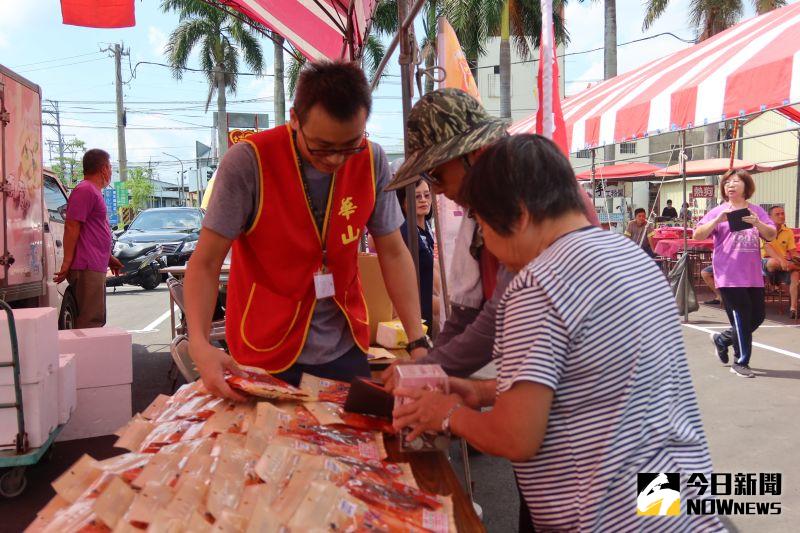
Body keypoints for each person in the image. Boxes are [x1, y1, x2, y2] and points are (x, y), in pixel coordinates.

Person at [393, 135, 721, 532]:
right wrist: (479, 392)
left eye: (481, 223)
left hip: (604, 517)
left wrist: (446, 413)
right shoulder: (633, 258)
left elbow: (515, 437)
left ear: (520, 213)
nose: (487, 245)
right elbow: (593, 382)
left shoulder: (536, 285)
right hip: (670, 500)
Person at [184, 61, 427, 398]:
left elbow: (393, 250)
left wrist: (417, 342)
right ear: (294, 119)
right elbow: (206, 262)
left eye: (349, 145)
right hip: (263, 350)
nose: (336, 160)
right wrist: (199, 342)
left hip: (345, 346)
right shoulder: (249, 162)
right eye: (322, 147)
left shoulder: (372, 160)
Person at [383, 88, 599, 382]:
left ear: (473, 154)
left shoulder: (524, 197)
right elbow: (468, 314)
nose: (435, 190)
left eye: (437, 176)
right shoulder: (492, 198)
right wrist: (430, 370)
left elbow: (498, 316)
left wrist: (430, 373)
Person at [694, 169, 776, 378]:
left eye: (736, 181)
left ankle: (722, 339)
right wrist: (717, 220)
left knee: (757, 316)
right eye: (727, 182)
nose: (730, 185)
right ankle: (741, 362)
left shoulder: (756, 211)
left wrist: (757, 222)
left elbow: (771, 235)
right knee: (741, 315)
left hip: (752, 275)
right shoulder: (718, 211)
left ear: (746, 186)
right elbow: (697, 234)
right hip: (728, 274)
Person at [54, 149, 122, 328]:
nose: (110, 171)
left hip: (94, 264)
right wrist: (67, 262)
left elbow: (91, 232)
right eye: (110, 167)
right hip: (86, 266)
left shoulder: (93, 191)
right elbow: (72, 225)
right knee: (89, 320)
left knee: (95, 318)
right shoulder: (85, 190)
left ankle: (91, 355)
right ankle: (87, 356)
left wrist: (108, 258)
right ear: (104, 169)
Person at [396, 178, 438, 329]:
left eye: (427, 195)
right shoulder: (405, 231)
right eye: (417, 197)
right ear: (403, 203)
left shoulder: (427, 228)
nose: (423, 201)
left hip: (428, 306)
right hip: (416, 308)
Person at [761, 205, 799, 318]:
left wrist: (796, 259)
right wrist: (782, 261)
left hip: (785, 264)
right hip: (765, 261)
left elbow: (793, 252)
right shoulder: (764, 229)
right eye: (777, 214)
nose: (781, 216)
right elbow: (767, 247)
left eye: (783, 213)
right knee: (773, 263)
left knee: (796, 274)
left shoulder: (789, 232)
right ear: (770, 217)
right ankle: (777, 280)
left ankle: (793, 308)